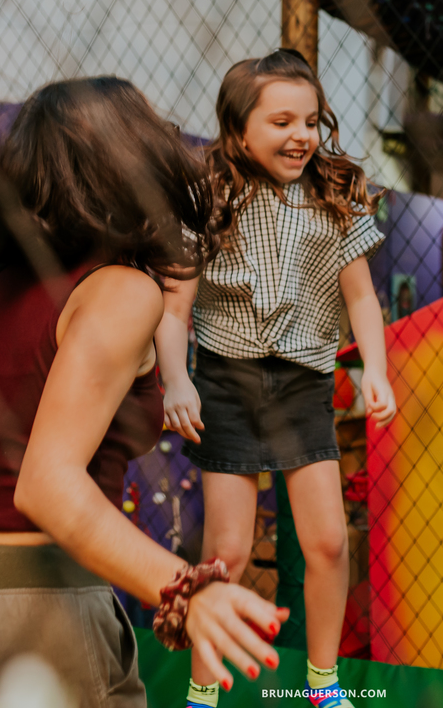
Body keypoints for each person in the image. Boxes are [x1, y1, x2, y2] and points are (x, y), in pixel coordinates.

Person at [0, 77, 288, 708]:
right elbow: (45, 484)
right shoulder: (122, 291)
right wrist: (187, 588)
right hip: (46, 612)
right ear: (133, 168)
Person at [156, 50, 397, 708]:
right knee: (227, 548)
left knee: (326, 539)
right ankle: (202, 690)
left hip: (301, 383)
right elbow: (174, 309)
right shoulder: (208, 199)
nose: (302, 135)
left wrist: (375, 367)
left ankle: (322, 682)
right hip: (227, 381)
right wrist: (176, 377)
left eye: (312, 120)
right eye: (282, 120)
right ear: (238, 132)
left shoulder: (334, 195)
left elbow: (362, 298)